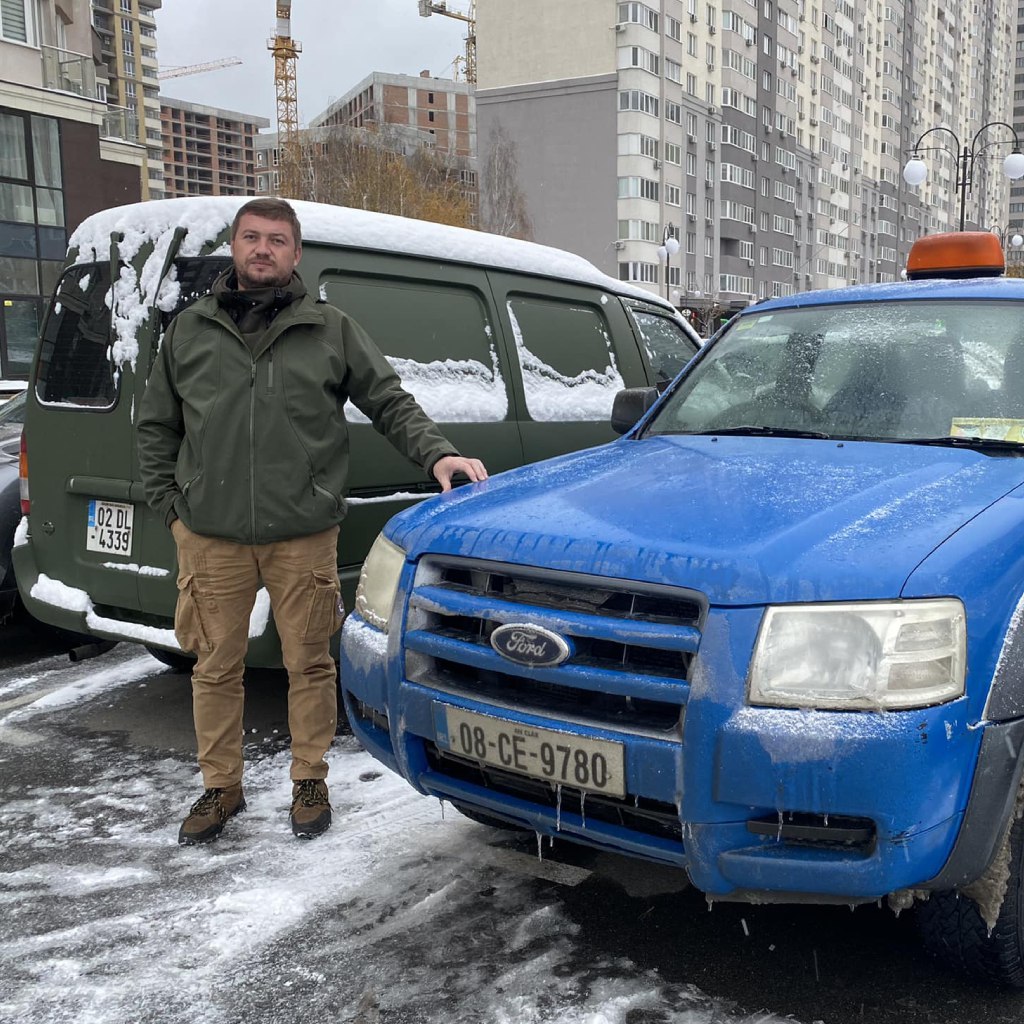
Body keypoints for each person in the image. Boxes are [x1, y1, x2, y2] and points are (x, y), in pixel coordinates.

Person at [137, 198, 487, 846]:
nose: (263, 249)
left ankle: (309, 779)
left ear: (296, 255)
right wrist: (173, 514)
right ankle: (221, 786)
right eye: (251, 238)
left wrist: (438, 452)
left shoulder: (330, 329)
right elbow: (155, 428)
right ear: (234, 249)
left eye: (277, 240)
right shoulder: (187, 331)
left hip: (302, 535)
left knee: (310, 665)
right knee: (214, 669)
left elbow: (388, 400)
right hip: (211, 538)